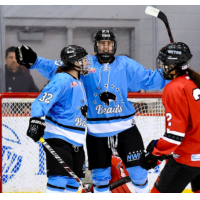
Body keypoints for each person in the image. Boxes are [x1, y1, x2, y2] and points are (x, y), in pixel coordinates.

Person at [15, 29, 170, 193]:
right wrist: (37, 62)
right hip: (96, 131)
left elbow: (149, 78)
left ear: (114, 46)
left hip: (125, 127)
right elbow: (61, 67)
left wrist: (171, 73)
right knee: (100, 177)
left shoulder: (125, 64)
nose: (105, 48)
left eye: (109, 44)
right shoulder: (86, 64)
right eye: (102, 44)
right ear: (96, 46)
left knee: (138, 172)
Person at [25, 45, 89, 193]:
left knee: (74, 182)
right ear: (74, 62)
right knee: (59, 179)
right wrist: (36, 119)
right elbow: (43, 100)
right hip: (58, 135)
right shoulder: (62, 79)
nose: (86, 62)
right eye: (83, 59)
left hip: (77, 139)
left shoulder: (80, 80)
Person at [139, 42, 200, 193]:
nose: (163, 67)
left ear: (173, 65)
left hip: (187, 159)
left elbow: (175, 135)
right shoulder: (195, 82)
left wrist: (154, 153)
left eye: (165, 63)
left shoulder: (174, 88)